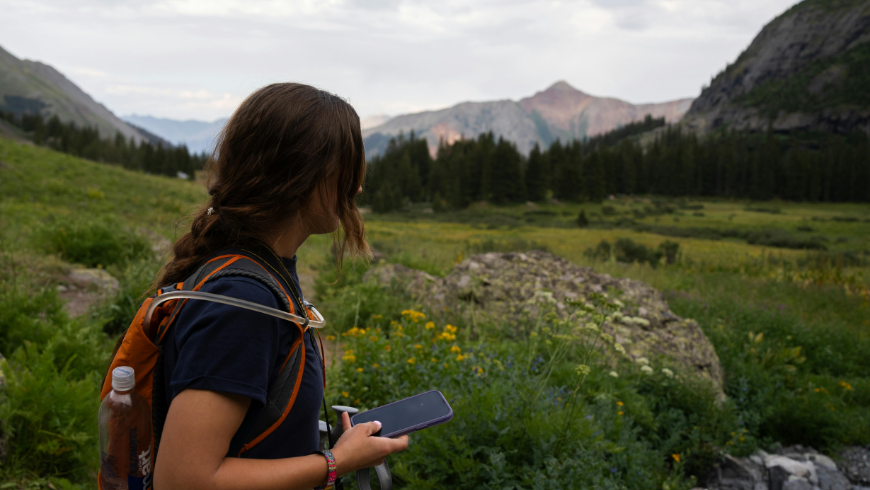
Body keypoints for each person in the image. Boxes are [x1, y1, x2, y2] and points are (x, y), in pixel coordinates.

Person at [151, 83, 408, 490]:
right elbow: (184, 479)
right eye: (349, 169)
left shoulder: (261, 270)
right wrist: (336, 462)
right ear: (304, 175)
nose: (357, 188)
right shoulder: (244, 301)